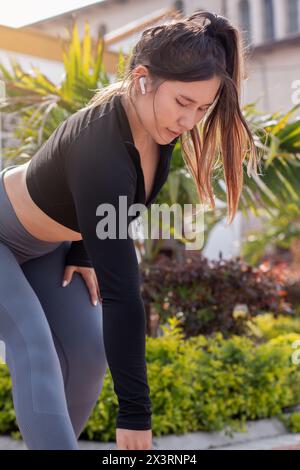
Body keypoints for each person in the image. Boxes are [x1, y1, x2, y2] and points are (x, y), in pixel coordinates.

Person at [0, 10, 258, 450]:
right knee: (34, 347)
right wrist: (135, 415)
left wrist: (82, 249)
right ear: (142, 79)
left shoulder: (160, 132)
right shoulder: (100, 145)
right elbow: (123, 293)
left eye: (202, 107)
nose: (189, 121)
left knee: (87, 355)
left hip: (48, 249)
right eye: (182, 102)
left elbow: (103, 212)